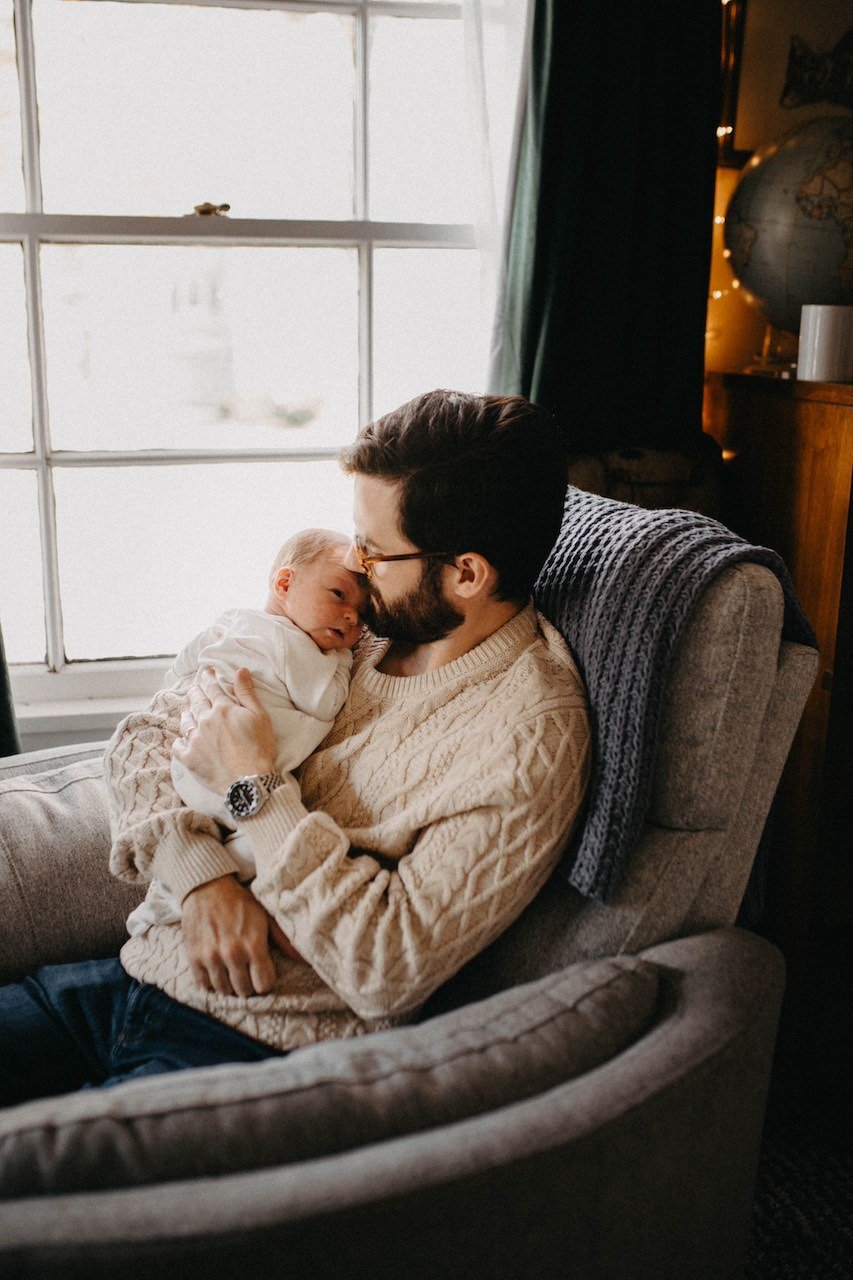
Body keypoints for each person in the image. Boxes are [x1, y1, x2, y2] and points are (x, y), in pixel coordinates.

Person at [0, 389, 591, 1105]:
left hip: (250, 1049)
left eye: (375, 550)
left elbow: (389, 964)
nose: (355, 565)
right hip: (128, 975)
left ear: (466, 573)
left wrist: (254, 786)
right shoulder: (355, 628)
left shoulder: (528, 735)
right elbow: (146, 738)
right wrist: (202, 878)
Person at [126, 527, 367, 938]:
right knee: (262, 844)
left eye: (363, 614)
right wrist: (344, 659)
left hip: (190, 759)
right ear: (285, 582)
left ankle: (177, 892)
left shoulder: (234, 619)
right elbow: (326, 702)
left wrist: (185, 687)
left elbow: (185, 663)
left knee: (226, 835)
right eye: (339, 595)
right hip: (236, 774)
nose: (352, 618)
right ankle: (167, 900)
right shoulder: (303, 651)